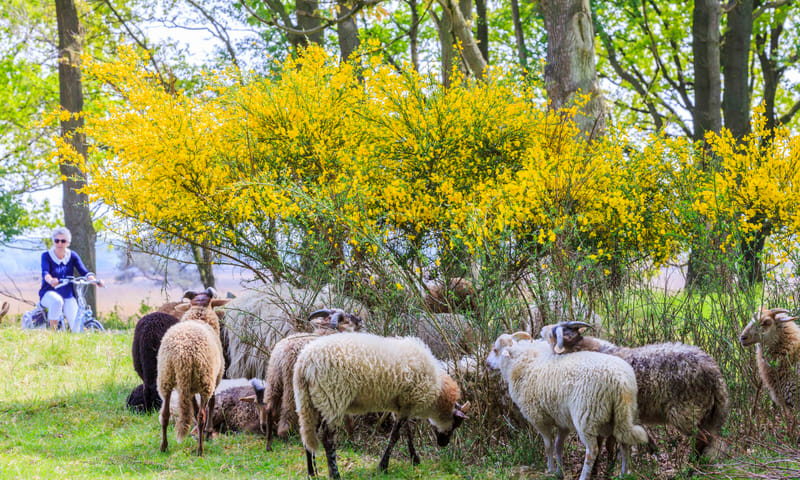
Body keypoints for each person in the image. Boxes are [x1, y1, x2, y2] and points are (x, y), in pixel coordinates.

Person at [39, 227, 103, 331]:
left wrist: (94, 280)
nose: (60, 243)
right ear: (54, 242)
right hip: (49, 292)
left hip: (67, 294)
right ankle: (52, 334)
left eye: (63, 241)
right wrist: (51, 280)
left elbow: (84, 271)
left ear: (68, 243)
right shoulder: (46, 256)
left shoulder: (72, 255)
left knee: (76, 325)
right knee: (57, 301)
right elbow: (45, 272)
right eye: (57, 241)